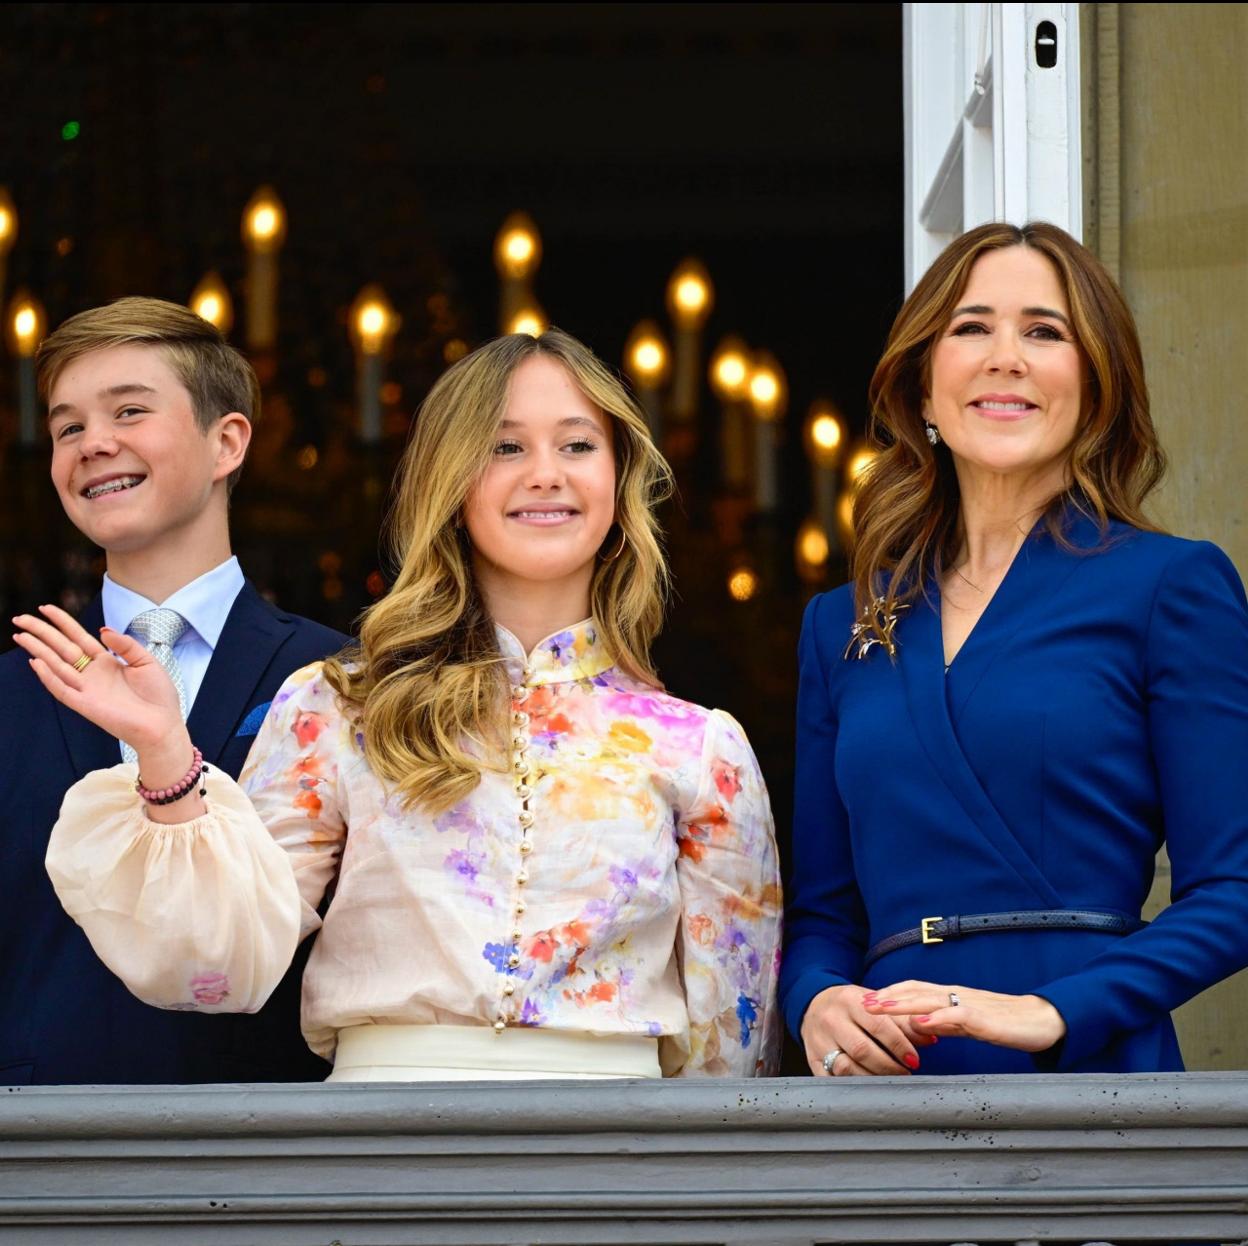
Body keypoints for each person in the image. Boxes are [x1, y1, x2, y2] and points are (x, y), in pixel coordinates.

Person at [17, 327, 781, 1081]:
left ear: (618, 482)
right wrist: (165, 755)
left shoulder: (699, 747)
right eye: (505, 447)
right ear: (450, 483)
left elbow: (730, 1053)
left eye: (577, 445)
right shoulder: (337, 705)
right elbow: (222, 965)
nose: (545, 473)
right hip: (383, 1153)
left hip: (620, 1156)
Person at [780, 221, 1248, 1078]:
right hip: (893, 1088)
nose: (1006, 357)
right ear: (922, 387)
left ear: (1096, 387)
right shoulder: (839, 624)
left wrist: (1051, 1012)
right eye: (970, 328)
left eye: (1044, 330)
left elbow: (1236, 891)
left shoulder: (1171, 586)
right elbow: (821, 915)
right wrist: (818, 1000)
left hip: (1088, 1073)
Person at [0, 297, 347, 1085]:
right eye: (67, 428)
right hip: (32, 1160)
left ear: (227, 441)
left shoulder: (341, 678)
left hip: (281, 1148)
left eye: (128, 411)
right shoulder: (10, 692)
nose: (94, 444)